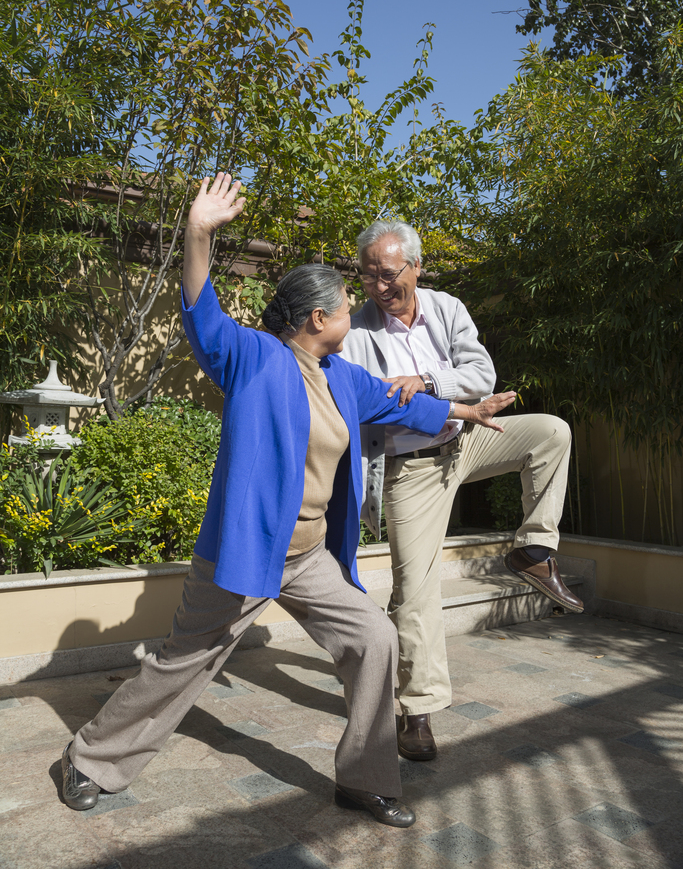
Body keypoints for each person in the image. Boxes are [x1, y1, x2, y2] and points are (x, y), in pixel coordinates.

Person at [60, 175, 516, 827]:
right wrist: (197, 232)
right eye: (341, 305)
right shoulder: (252, 357)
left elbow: (401, 399)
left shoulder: (342, 377)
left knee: (373, 640)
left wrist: (468, 409)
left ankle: (363, 778)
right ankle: (90, 757)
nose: (353, 310)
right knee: (180, 667)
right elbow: (200, 310)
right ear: (315, 320)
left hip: (306, 557)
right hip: (243, 552)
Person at [341, 219, 583, 765]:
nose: (379, 287)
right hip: (411, 468)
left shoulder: (446, 308)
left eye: (387, 274)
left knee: (551, 432)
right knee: (416, 591)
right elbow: (362, 400)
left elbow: (481, 373)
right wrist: (408, 397)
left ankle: (533, 550)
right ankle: (416, 709)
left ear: (415, 268)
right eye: (368, 276)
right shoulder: (357, 331)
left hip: (466, 440)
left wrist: (426, 383)